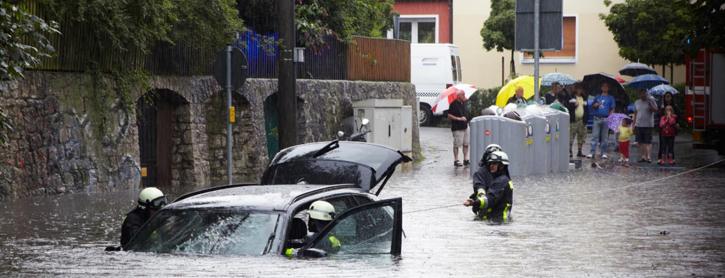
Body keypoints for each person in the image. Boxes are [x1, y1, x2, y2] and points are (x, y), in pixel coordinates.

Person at [463, 150, 513, 224]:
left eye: (494, 163)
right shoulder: (501, 180)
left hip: (498, 224)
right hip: (496, 222)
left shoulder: (501, 181)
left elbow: (490, 199)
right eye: (490, 163)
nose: (491, 166)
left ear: (502, 166)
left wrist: (475, 202)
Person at [588, 82, 616, 167]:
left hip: (605, 119)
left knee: (604, 137)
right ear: (601, 87)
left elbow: (612, 108)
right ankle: (592, 152)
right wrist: (596, 104)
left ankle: (603, 152)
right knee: (594, 136)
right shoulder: (597, 96)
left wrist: (610, 117)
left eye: (606, 86)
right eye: (603, 86)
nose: (605, 88)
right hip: (597, 118)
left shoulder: (611, 98)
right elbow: (593, 106)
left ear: (608, 88)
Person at [633, 89, 658, 163]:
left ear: (646, 94)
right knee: (640, 142)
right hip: (639, 124)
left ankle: (648, 157)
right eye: (641, 93)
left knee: (648, 141)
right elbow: (635, 113)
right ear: (639, 94)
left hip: (648, 124)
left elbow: (656, 109)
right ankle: (642, 156)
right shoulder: (637, 102)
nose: (642, 95)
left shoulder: (651, 101)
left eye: (644, 93)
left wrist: (651, 105)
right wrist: (633, 124)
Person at [447, 89, 469, 167]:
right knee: (457, 144)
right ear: (458, 96)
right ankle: (456, 160)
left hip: (465, 126)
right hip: (457, 127)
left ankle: (466, 159)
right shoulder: (453, 104)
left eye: (464, 94)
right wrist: (459, 118)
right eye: (463, 94)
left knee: (466, 144)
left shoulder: (464, 103)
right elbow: (449, 116)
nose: (464, 96)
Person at [566, 83, 588, 158]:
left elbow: (586, 109)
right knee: (571, 136)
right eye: (578, 88)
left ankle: (579, 151)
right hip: (574, 120)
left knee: (581, 136)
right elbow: (568, 108)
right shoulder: (572, 97)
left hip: (582, 121)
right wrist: (573, 106)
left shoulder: (584, 98)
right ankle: (570, 151)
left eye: (580, 89)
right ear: (575, 89)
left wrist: (586, 118)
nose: (579, 90)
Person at [657, 92, 679, 163]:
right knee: (662, 144)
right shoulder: (662, 105)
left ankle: (671, 158)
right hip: (663, 129)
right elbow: (659, 116)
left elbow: (678, 116)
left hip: (671, 129)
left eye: (669, 97)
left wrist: (675, 121)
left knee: (671, 145)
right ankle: (661, 158)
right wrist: (662, 109)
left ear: (671, 97)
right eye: (666, 97)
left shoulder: (674, 106)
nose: (668, 98)